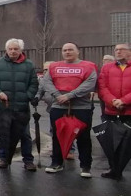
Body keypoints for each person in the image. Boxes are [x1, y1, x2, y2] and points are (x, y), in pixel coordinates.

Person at [41, 42, 97, 177]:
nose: (67, 52)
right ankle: (56, 163)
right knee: (57, 135)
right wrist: (58, 95)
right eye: (64, 50)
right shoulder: (54, 66)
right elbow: (46, 82)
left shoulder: (88, 66)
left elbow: (90, 83)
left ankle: (85, 166)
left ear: (78, 52)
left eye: (70, 50)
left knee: (83, 137)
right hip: (58, 106)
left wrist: (70, 95)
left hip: (81, 107)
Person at [0, 39, 39, 171]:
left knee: (25, 135)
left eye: (16, 49)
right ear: (6, 50)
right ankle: (4, 159)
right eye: (10, 49)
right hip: (3, 107)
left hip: (22, 108)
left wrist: (27, 96)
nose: (13, 51)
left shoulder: (29, 65)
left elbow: (34, 84)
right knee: (4, 134)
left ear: (21, 50)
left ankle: (28, 161)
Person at [97, 43, 131, 179]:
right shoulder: (107, 68)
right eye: (116, 49)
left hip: (128, 112)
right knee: (111, 143)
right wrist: (113, 101)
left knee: (127, 144)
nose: (118, 52)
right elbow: (102, 88)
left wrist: (124, 101)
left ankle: (120, 168)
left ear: (129, 52)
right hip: (111, 111)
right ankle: (114, 169)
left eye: (122, 49)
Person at [98, 54, 118, 122]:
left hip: (113, 95)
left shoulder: (115, 69)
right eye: (104, 60)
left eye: (107, 60)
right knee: (104, 111)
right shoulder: (101, 69)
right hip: (103, 95)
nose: (105, 61)